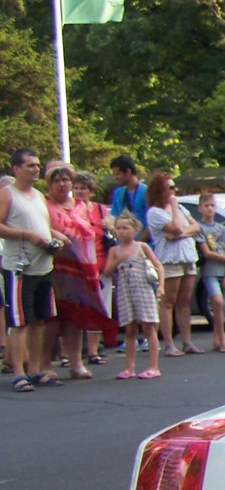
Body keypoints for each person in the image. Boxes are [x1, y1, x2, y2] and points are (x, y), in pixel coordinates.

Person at [0, 149, 71, 391]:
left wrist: (57, 236)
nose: (35, 169)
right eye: (30, 165)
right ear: (16, 168)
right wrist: (27, 235)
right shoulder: (7, 195)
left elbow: (45, 226)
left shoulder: (39, 196)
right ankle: (19, 372)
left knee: (40, 320)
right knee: (20, 322)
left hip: (43, 266)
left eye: (37, 165)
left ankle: (36, 369)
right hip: (20, 268)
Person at [43, 160, 118, 378]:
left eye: (66, 179)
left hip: (82, 268)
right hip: (56, 268)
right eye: (56, 180)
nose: (62, 184)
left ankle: (76, 363)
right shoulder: (44, 204)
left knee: (75, 315)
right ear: (48, 183)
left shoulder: (80, 206)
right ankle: (45, 364)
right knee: (52, 317)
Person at [144, 172, 202, 357]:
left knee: (184, 302)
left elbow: (196, 227)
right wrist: (175, 208)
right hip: (170, 259)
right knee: (168, 302)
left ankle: (187, 341)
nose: (174, 191)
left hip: (187, 256)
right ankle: (169, 343)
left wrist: (181, 234)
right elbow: (176, 227)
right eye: (170, 187)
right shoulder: (155, 213)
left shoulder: (182, 209)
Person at [105, 211, 163, 379]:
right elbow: (107, 272)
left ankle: (153, 366)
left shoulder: (141, 247)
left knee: (148, 327)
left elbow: (157, 265)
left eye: (125, 228)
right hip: (125, 292)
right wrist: (117, 261)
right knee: (130, 329)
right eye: (118, 228)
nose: (121, 231)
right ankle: (129, 367)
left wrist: (160, 286)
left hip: (142, 290)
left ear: (136, 229)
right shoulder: (114, 251)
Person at [71, 170, 115, 362]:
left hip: (102, 265)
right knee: (77, 309)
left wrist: (110, 226)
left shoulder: (101, 210)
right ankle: (69, 354)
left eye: (83, 188)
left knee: (100, 308)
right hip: (79, 266)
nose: (79, 191)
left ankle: (93, 351)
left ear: (91, 191)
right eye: (77, 188)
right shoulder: (70, 209)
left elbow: (116, 233)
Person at [193, 192, 225, 352]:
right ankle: (222, 339)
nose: (210, 209)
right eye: (206, 206)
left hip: (223, 271)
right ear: (200, 208)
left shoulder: (221, 228)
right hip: (210, 272)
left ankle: (217, 338)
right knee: (216, 301)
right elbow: (207, 253)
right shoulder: (199, 228)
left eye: (212, 205)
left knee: (221, 306)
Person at [108, 155, 148, 228]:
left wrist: (138, 239)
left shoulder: (146, 192)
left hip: (144, 239)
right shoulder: (118, 193)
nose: (115, 178)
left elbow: (151, 223)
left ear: (128, 172)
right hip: (123, 238)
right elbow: (115, 217)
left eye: (117, 174)